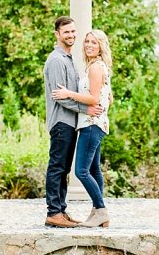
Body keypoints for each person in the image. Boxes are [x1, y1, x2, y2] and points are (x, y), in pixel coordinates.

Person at [43, 16, 103, 228]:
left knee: (64, 169)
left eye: (73, 31)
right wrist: (86, 108)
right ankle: (53, 212)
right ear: (57, 34)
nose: (71, 35)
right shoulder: (57, 60)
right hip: (61, 122)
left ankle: (61, 209)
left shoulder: (69, 59)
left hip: (70, 122)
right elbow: (61, 97)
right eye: (66, 32)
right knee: (57, 167)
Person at [52, 29, 112, 227]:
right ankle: (97, 213)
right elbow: (106, 96)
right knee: (94, 170)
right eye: (87, 41)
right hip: (95, 123)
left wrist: (68, 93)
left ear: (101, 46)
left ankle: (101, 210)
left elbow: (94, 98)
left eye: (94, 43)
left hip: (91, 124)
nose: (88, 45)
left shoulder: (96, 68)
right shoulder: (97, 66)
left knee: (81, 171)